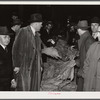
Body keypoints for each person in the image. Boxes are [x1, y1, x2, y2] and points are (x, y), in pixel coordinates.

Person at [12, 13, 59, 91]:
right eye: (41, 24)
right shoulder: (23, 31)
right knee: (24, 88)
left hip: (35, 68)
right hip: (25, 66)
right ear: (36, 24)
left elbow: (38, 52)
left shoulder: (37, 35)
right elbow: (15, 49)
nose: (41, 26)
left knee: (34, 88)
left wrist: (40, 65)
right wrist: (16, 65)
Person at [75, 20, 95, 91]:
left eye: (77, 29)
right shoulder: (85, 38)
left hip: (86, 73)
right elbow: (84, 55)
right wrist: (77, 61)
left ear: (79, 29)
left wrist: (83, 71)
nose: (77, 31)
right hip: (83, 71)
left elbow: (92, 60)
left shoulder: (89, 40)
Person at [83, 26, 100, 91]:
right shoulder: (93, 46)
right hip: (90, 85)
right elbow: (86, 63)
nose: (97, 35)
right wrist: (86, 77)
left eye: (99, 32)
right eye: (97, 32)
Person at [0, 26, 16, 91]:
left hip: (7, 82)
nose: (8, 39)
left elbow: (9, 65)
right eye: (5, 37)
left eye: (9, 37)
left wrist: (12, 79)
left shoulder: (9, 50)